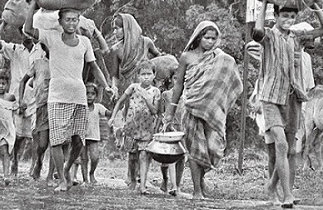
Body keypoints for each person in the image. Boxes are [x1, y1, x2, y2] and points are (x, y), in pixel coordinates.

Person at [24, 0, 114, 192]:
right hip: (57, 96)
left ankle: (64, 169)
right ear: (60, 22)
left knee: (78, 140)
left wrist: (106, 85)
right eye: (68, 19)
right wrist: (33, 5)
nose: (71, 23)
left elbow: (94, 66)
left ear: (79, 21)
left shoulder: (84, 42)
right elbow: (28, 30)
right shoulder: (52, 37)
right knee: (56, 139)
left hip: (79, 96)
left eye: (75, 19)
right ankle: (63, 180)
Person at [252, 1, 323, 208]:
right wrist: (264, 4)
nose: (288, 21)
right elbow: (257, 31)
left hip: (293, 97)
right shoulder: (269, 36)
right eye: (284, 16)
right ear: (276, 16)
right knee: (280, 143)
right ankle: (287, 194)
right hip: (270, 97)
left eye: (292, 17)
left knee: (289, 150)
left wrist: (314, 4)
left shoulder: (297, 38)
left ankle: (272, 186)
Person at [164, 21, 242, 200]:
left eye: (214, 38)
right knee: (194, 150)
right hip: (191, 107)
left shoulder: (220, 58)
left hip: (212, 111)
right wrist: (170, 111)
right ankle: (197, 191)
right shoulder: (186, 57)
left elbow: (229, 75)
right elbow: (178, 85)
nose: (210, 41)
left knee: (214, 148)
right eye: (207, 38)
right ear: (199, 37)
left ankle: (201, 178)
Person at [0, 27, 45, 177]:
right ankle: (14, 161)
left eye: (30, 32)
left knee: (36, 135)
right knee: (18, 137)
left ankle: (35, 166)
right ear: (20, 33)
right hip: (17, 99)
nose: (28, 36)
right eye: (25, 33)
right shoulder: (14, 49)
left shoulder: (41, 50)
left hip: (36, 98)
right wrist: (3, 23)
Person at [109, 61, 160, 194]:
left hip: (147, 129)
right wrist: (113, 117)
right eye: (143, 74)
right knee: (132, 156)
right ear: (138, 76)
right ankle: (132, 179)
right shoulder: (133, 87)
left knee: (143, 156)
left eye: (149, 74)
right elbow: (120, 101)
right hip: (131, 127)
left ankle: (142, 185)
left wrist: (148, 99)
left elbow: (155, 111)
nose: (146, 77)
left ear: (154, 75)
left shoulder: (156, 91)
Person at [18, 48, 53, 183]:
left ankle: (51, 174)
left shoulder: (62, 60)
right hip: (42, 106)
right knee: (42, 143)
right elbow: (23, 81)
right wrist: (21, 99)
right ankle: (38, 162)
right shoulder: (38, 63)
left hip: (58, 104)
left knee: (56, 142)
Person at [109, 13, 161, 95]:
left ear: (127, 28)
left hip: (148, 88)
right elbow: (115, 75)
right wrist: (114, 88)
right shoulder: (116, 49)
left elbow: (159, 57)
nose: (114, 32)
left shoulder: (145, 42)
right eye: (113, 29)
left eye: (117, 28)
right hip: (129, 89)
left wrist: (151, 70)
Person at [80, 83, 111, 184]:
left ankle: (91, 173)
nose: (89, 96)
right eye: (87, 93)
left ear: (96, 96)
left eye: (92, 94)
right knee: (83, 159)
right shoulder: (80, 107)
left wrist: (116, 106)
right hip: (81, 137)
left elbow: (108, 113)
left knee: (95, 157)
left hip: (93, 137)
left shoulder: (98, 107)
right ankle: (85, 180)